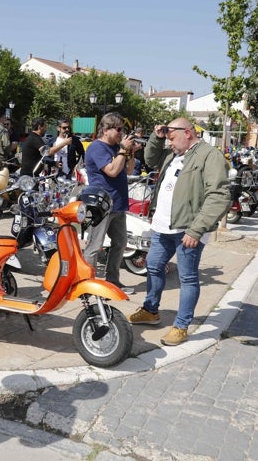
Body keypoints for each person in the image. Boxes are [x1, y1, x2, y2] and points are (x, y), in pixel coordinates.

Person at [127, 117, 230, 346]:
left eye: (172, 137)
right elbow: (150, 159)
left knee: (188, 278)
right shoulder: (174, 154)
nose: (170, 143)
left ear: (188, 133)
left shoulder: (209, 155)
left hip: (188, 229)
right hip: (162, 227)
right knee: (153, 266)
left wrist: (196, 230)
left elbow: (219, 195)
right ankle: (151, 310)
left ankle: (181, 326)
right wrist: (157, 136)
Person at [83, 113, 141, 294]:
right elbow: (112, 171)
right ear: (106, 129)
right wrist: (123, 149)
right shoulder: (97, 148)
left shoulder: (117, 147)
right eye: (118, 129)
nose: (121, 133)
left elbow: (128, 170)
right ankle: (86, 283)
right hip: (101, 206)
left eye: (122, 129)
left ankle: (113, 281)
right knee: (94, 245)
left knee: (120, 243)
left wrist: (130, 153)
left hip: (118, 204)